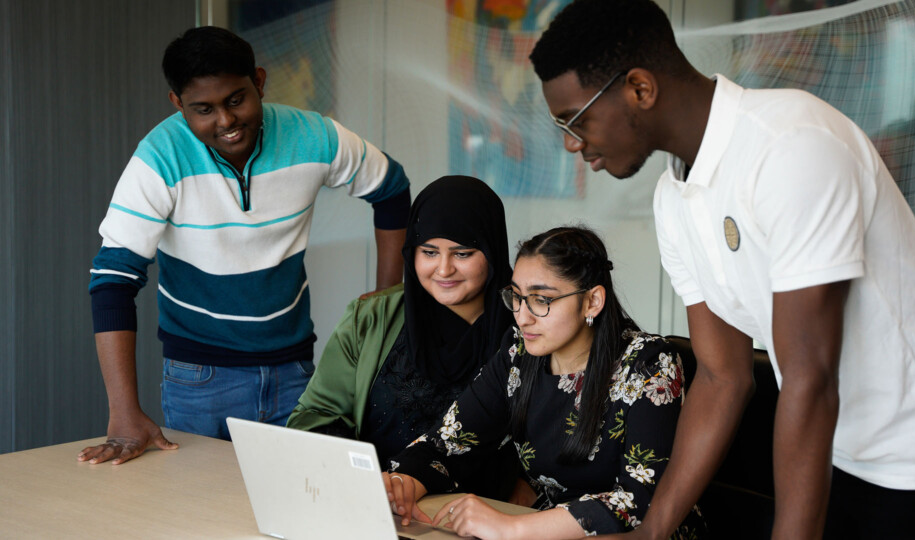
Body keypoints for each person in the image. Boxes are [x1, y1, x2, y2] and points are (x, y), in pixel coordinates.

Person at [529, 1, 915, 539]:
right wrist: (651, 532)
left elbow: (809, 378)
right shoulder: (674, 198)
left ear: (639, 88)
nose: (572, 141)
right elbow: (721, 376)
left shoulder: (791, 146)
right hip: (841, 450)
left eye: (576, 119)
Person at [78, 26, 411, 465]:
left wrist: (386, 296)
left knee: (302, 515)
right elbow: (113, 280)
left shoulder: (315, 136)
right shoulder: (158, 158)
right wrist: (123, 411)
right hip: (199, 379)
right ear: (178, 104)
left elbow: (390, 188)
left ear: (259, 80)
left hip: (296, 372)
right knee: (202, 523)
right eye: (203, 109)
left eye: (236, 99)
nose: (226, 121)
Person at [383, 226, 706, 539]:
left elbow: (639, 500)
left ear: (592, 301)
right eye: (517, 297)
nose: (523, 316)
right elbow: (447, 442)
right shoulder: (519, 353)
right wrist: (403, 482)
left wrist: (512, 530)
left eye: (541, 300)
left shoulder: (649, 364)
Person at [287, 175, 519, 500]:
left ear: (492, 251)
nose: (443, 269)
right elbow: (314, 416)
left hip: (485, 517)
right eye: (429, 252)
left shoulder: (529, 325)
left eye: (463, 253)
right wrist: (364, 478)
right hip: (376, 503)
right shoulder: (370, 317)